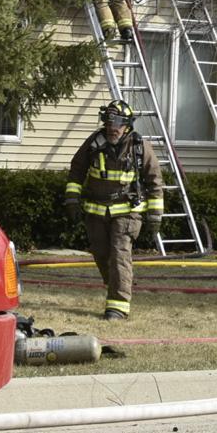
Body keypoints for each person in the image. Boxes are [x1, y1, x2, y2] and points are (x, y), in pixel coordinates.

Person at [63, 100, 164, 320]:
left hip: (127, 213)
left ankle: (117, 307)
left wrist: (155, 216)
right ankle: (117, 286)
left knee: (119, 255)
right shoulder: (94, 143)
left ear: (127, 125)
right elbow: (77, 170)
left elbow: (154, 181)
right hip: (96, 213)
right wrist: (72, 199)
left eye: (117, 122)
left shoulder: (139, 147)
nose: (112, 127)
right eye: (108, 121)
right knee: (101, 255)